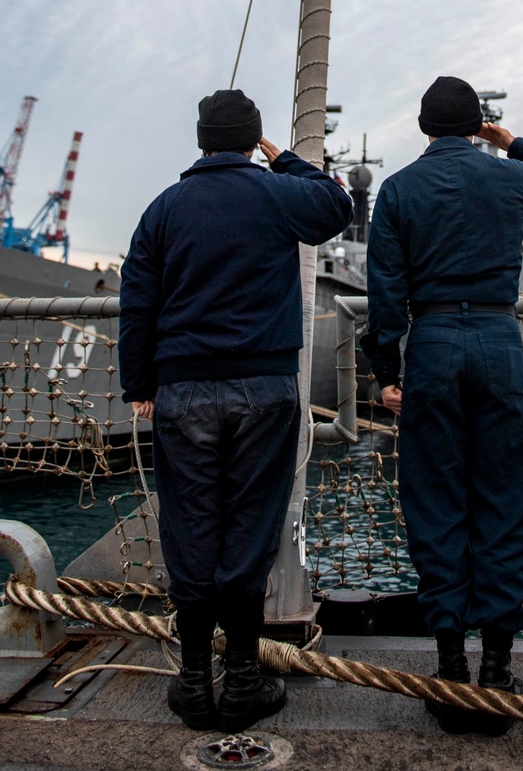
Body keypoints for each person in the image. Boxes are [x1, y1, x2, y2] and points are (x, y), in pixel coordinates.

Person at [362, 76, 523, 735]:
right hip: (496, 340)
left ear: (424, 127)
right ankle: (496, 667)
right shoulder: (505, 176)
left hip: (430, 345)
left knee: (435, 503)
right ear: (476, 126)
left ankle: (449, 667)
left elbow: (384, 290)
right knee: (503, 499)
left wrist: (385, 368)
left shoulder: (399, 189)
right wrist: (514, 142)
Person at [119, 89, 352, 732]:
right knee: (251, 527)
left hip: (184, 391)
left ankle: (194, 683)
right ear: (253, 139)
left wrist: (139, 384)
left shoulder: (163, 208)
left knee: (191, 529)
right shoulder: (276, 194)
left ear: (200, 139)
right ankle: (244, 681)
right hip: (265, 387)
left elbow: (137, 301)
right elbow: (338, 205)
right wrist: (290, 164)